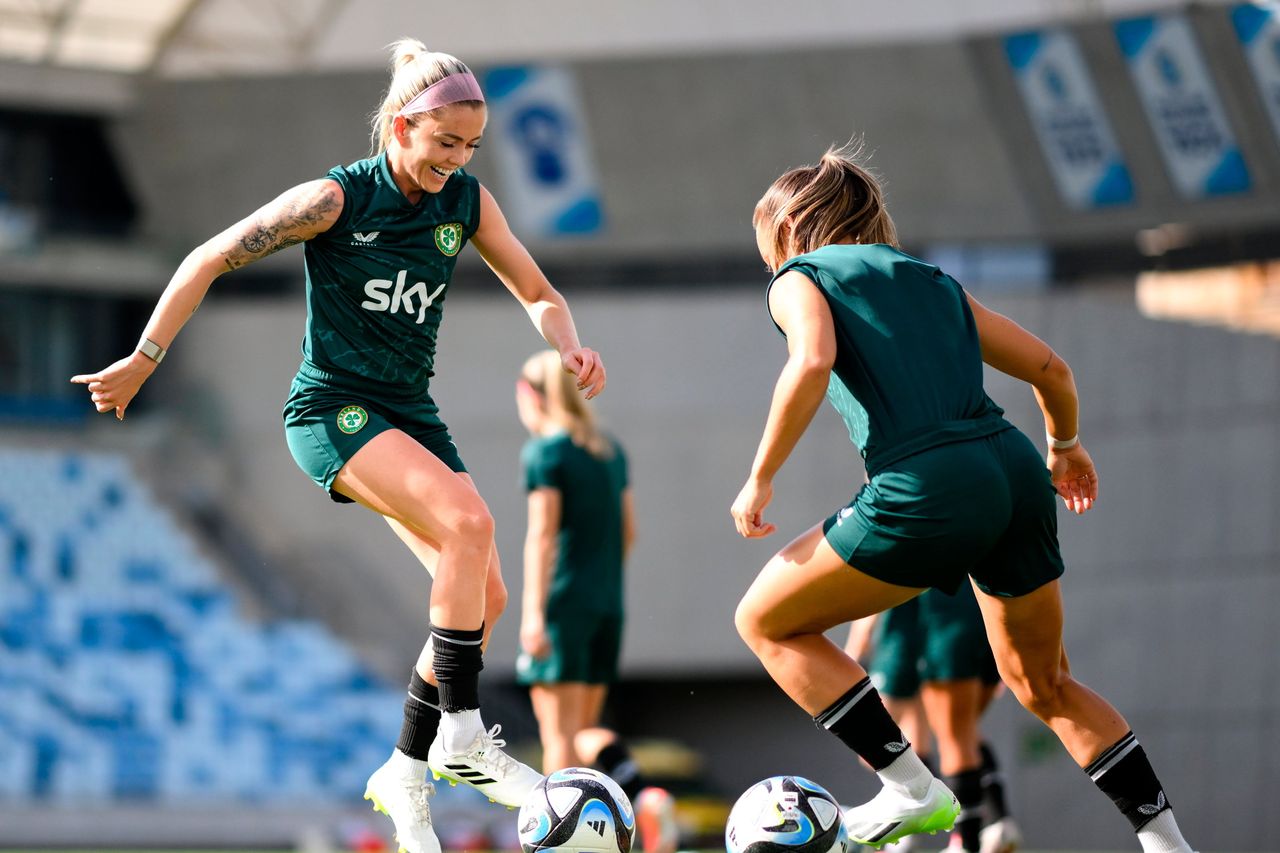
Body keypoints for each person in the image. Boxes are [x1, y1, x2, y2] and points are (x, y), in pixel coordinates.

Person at [70, 39, 606, 853]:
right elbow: (209, 256)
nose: (456, 161)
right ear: (400, 126)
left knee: (483, 599)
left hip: (407, 413)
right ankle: (460, 736)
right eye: (443, 144)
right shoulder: (333, 200)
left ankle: (404, 769)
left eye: (468, 147)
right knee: (469, 522)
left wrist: (568, 342)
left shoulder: (465, 202)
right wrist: (144, 357)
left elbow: (539, 292)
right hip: (332, 411)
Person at [730, 144, 1197, 852]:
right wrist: (1064, 445)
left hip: (928, 482)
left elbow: (813, 357)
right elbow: (1051, 367)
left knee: (764, 621)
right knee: (1046, 684)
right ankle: (1168, 842)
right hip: (1013, 470)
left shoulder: (800, 275)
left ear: (791, 229)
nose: (772, 269)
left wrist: (761, 474)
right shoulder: (932, 279)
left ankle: (912, 788)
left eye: (770, 253)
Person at [514, 349, 678, 853]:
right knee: (584, 729)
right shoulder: (609, 452)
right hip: (607, 604)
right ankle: (642, 796)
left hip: (563, 605)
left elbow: (542, 537)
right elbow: (629, 531)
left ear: (532, 396)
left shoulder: (546, 453)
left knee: (556, 735)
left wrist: (533, 615)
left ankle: (559, 842)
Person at [845, 591, 1022, 853]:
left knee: (948, 734)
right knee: (954, 729)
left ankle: (962, 840)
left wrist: (861, 633)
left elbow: (883, 562)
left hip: (929, 615)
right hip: (983, 613)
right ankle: (997, 821)